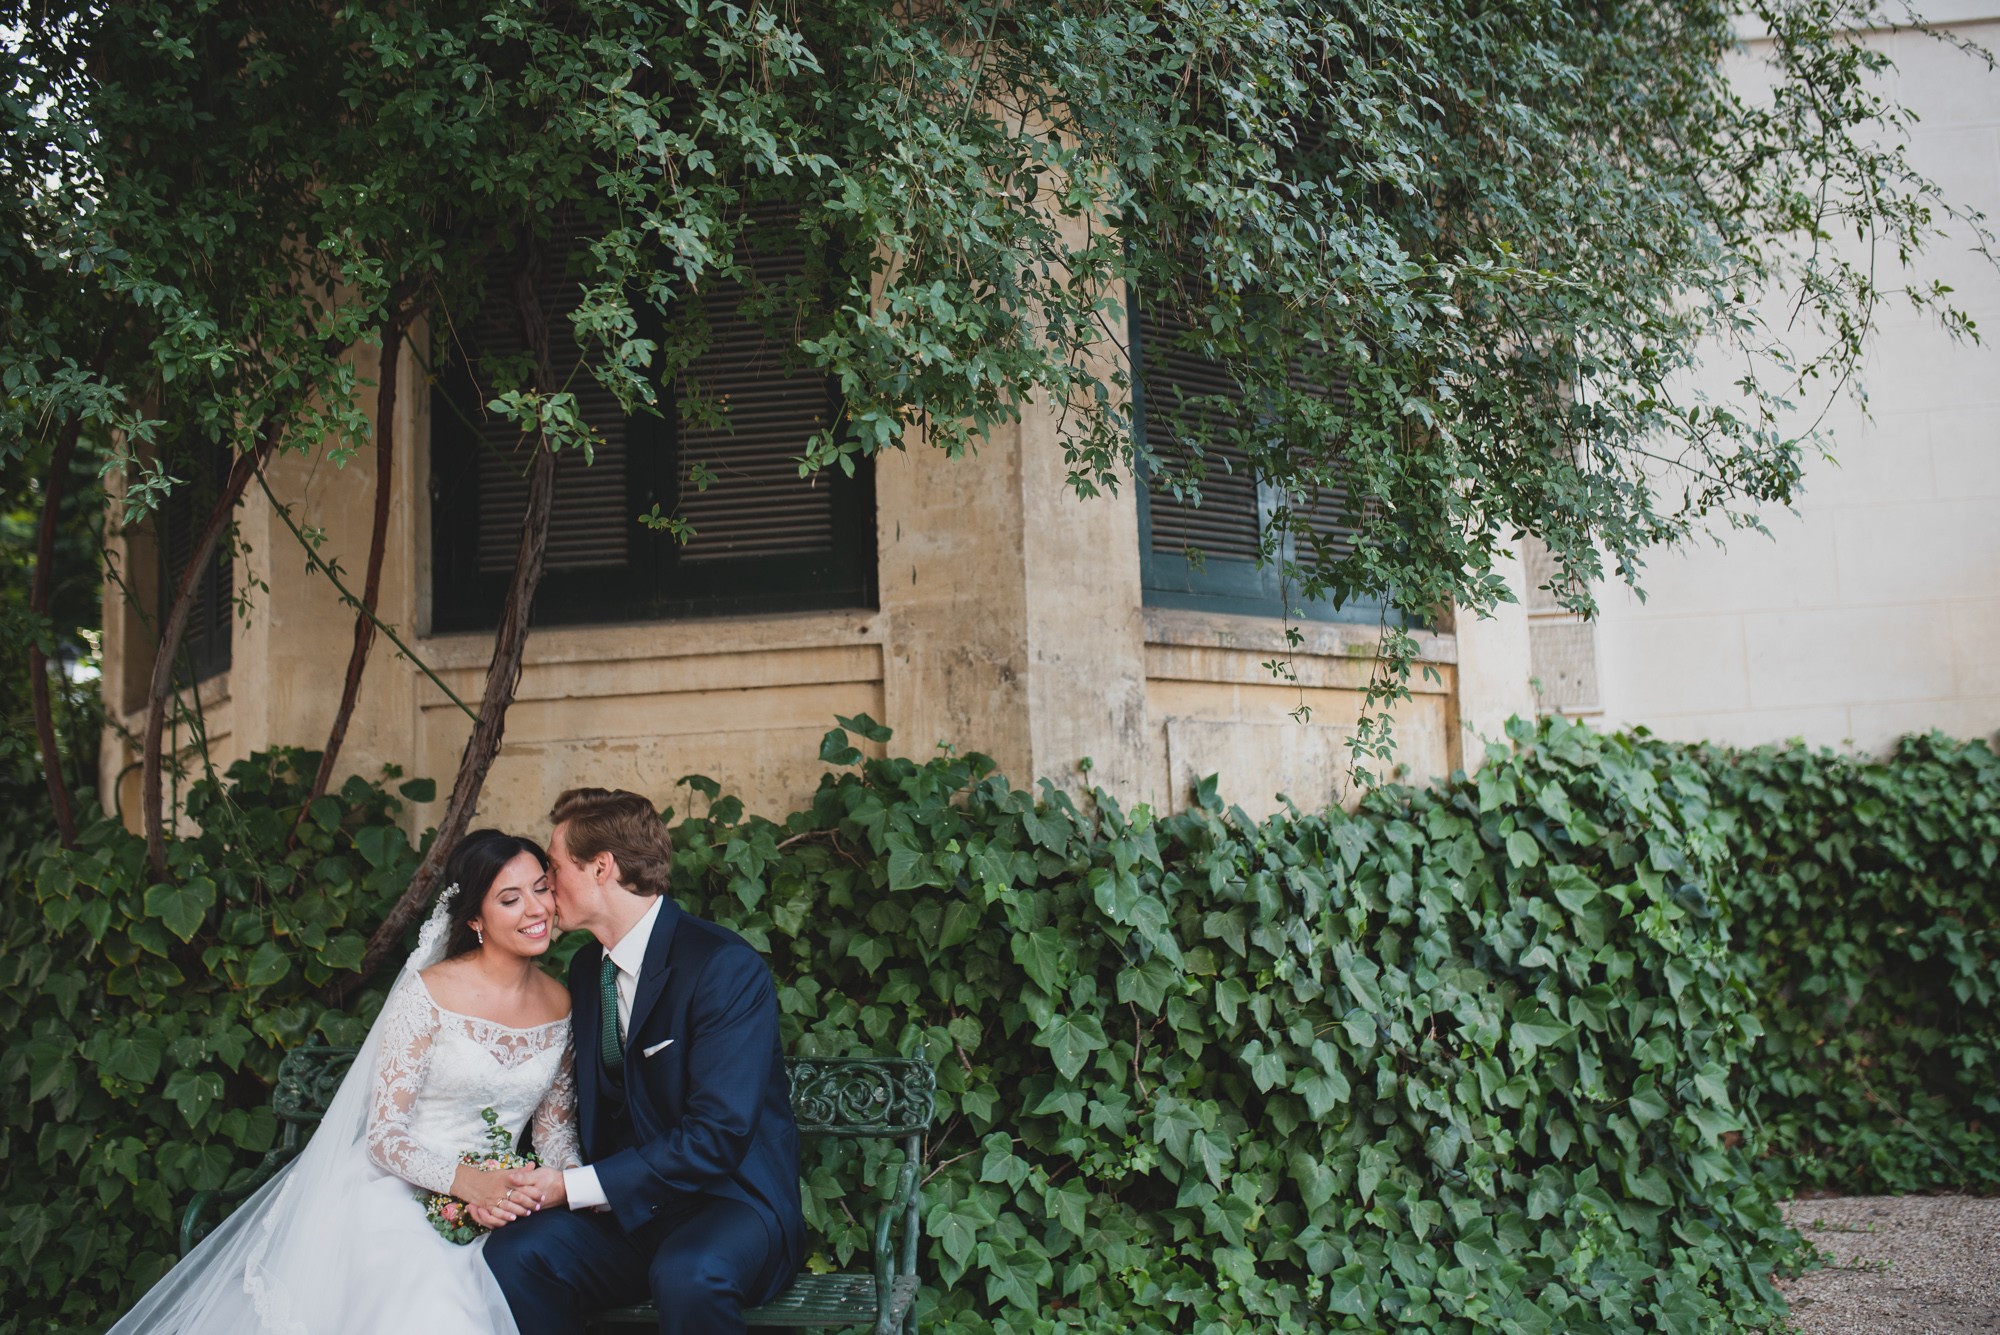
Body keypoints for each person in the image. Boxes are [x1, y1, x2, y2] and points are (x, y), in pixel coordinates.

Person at [106, 830, 578, 1335]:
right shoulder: (430, 993)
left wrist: (557, 1183)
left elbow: (553, 1132)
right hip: (399, 1194)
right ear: (474, 919)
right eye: (510, 898)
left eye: (541, 888)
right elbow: (385, 1135)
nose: (536, 909)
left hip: (505, 1202)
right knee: (434, 1305)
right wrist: (468, 1185)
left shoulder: (562, 1002)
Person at [484, 787, 804, 1335]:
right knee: (518, 1253)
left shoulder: (722, 967)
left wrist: (574, 1187)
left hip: (730, 1203)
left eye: (554, 868)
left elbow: (719, 1134)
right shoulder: (587, 969)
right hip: (629, 1213)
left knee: (688, 1273)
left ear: (601, 867)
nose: (547, 886)